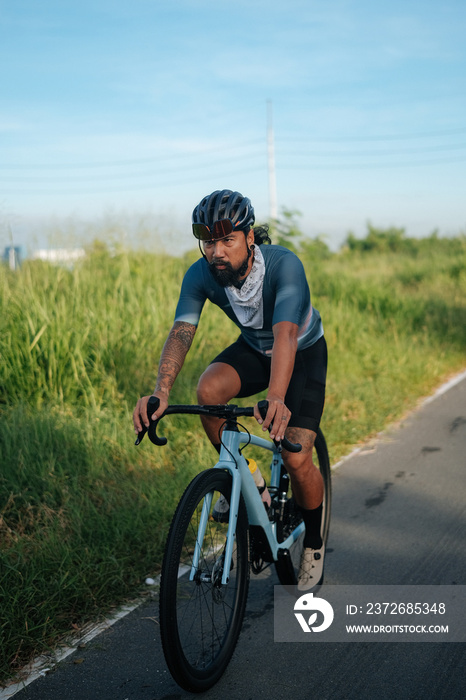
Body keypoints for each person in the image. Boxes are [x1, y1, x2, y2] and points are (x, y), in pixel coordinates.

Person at [133, 189, 328, 591]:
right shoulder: (201, 273)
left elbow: (287, 333)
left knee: (297, 456)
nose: (216, 251)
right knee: (208, 391)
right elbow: (183, 330)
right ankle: (250, 479)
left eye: (227, 240)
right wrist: (161, 391)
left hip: (301, 352)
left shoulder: (284, 266)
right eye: (208, 241)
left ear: (250, 237)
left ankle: (313, 542)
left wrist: (276, 396)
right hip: (256, 349)